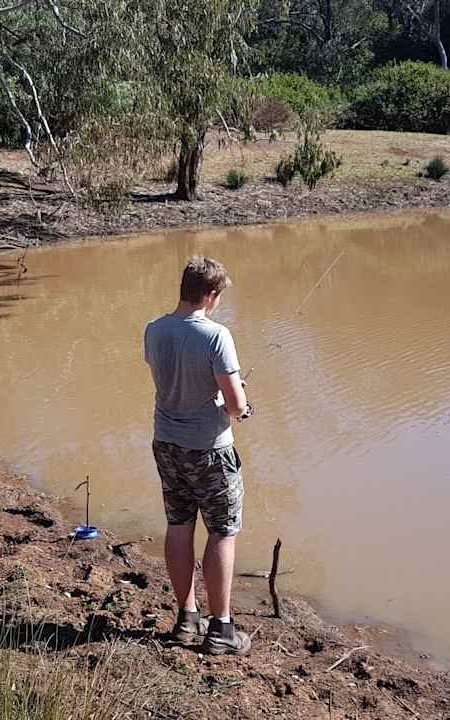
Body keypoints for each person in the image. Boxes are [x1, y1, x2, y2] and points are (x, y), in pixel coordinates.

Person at [144, 256, 254, 656]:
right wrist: (238, 397)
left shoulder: (154, 330)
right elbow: (236, 405)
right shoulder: (216, 335)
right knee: (222, 531)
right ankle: (222, 628)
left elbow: (175, 377)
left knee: (179, 524)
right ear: (210, 294)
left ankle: (187, 618)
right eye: (219, 296)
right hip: (209, 451)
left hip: (166, 445)